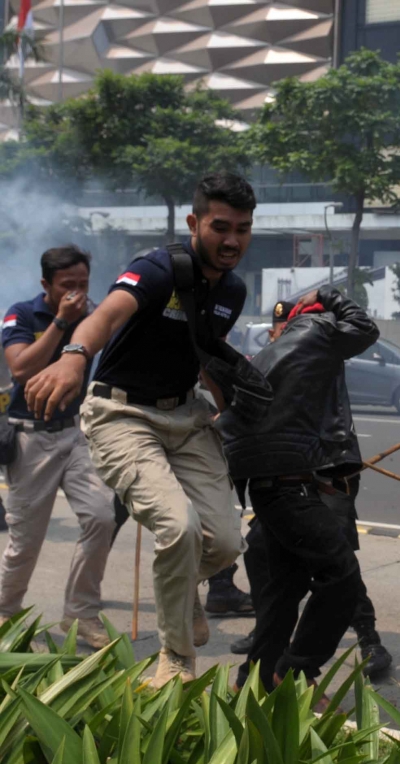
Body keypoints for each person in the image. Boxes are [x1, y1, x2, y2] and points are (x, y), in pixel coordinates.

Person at [24, 173, 255, 688]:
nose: (232, 240)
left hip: (186, 416)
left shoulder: (233, 290)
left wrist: (235, 409)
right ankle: (175, 661)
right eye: (220, 226)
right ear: (195, 223)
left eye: (243, 228)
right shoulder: (158, 268)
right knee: (178, 529)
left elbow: (204, 356)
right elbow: (105, 315)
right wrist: (74, 356)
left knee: (222, 544)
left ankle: (180, 590)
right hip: (122, 415)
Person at [218, 287, 380, 696]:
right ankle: (294, 673)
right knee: (340, 575)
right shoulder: (318, 335)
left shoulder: (272, 353)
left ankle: (249, 682)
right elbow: (364, 328)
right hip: (294, 487)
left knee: (282, 595)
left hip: (274, 486)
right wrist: (329, 294)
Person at [0, 245, 118, 648]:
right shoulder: (22, 313)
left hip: (77, 432)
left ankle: (81, 614)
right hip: (31, 437)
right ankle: (6, 610)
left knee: (102, 517)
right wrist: (61, 323)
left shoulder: (94, 314)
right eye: (68, 285)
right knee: (26, 539)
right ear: (46, 284)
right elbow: (20, 368)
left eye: (83, 284)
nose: (77, 293)